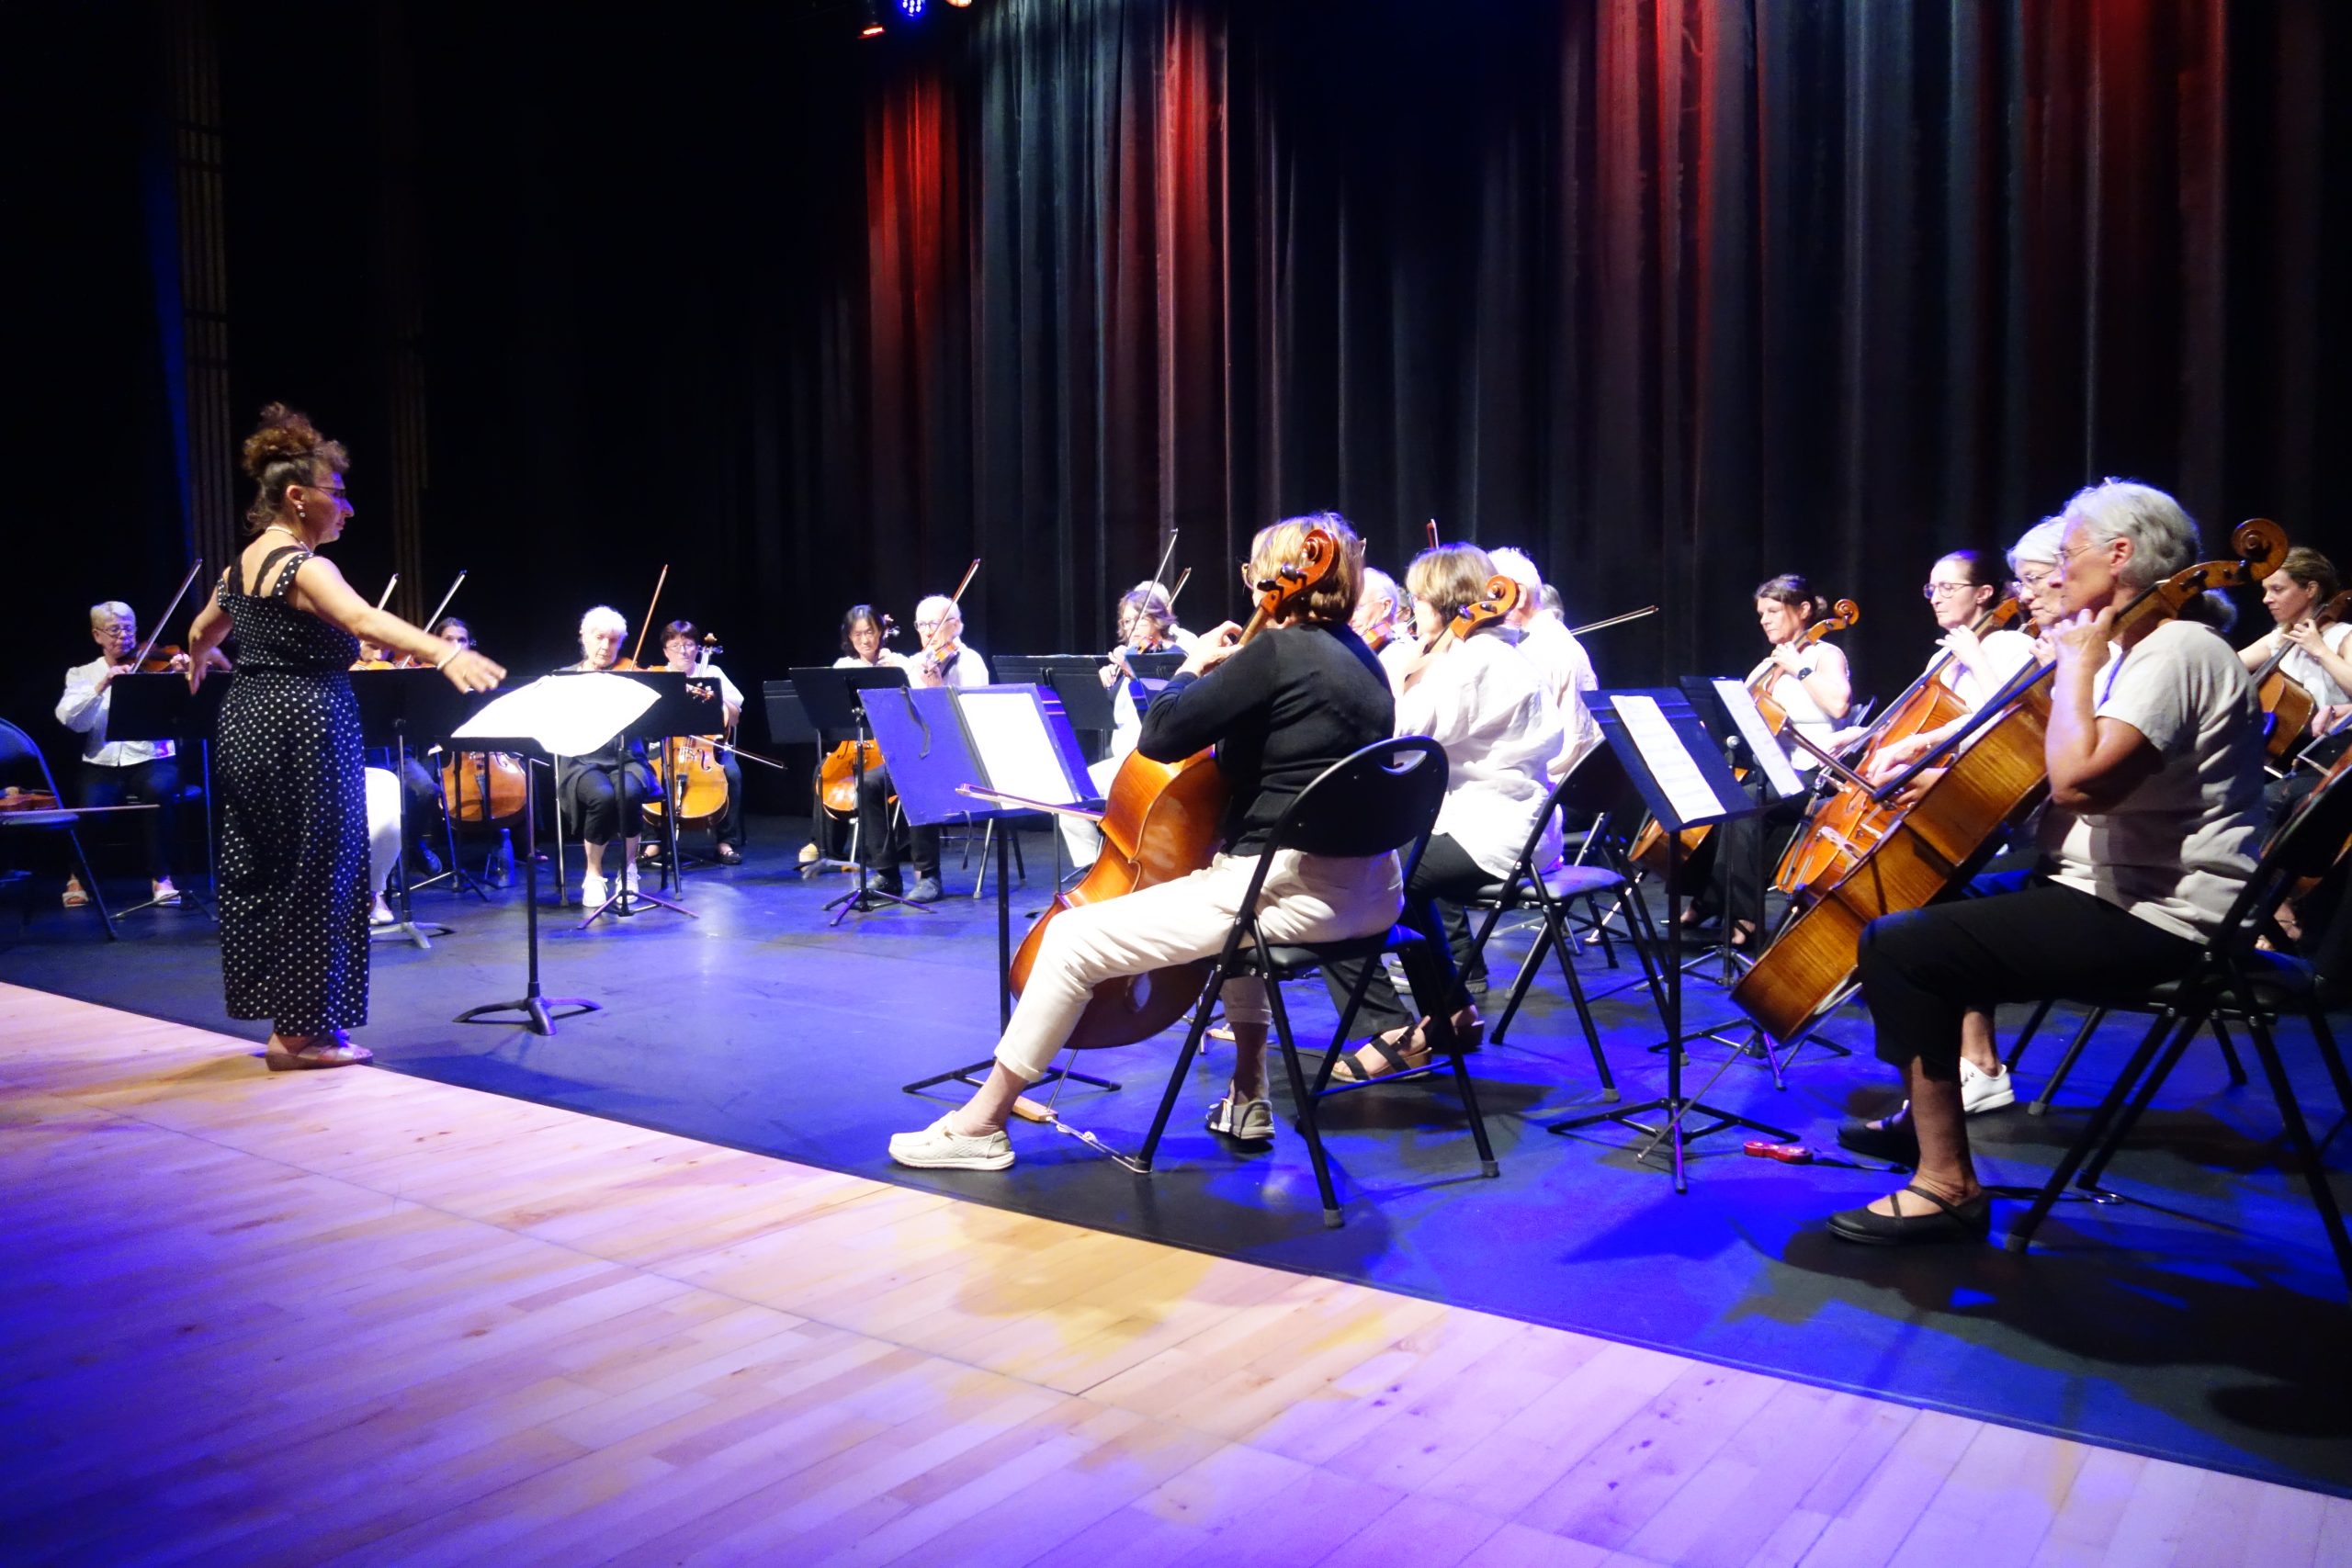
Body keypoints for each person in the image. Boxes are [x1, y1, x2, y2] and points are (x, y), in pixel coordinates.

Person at [888, 513, 1404, 1168]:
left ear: (1279, 578)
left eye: (1254, 571)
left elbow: (1159, 734)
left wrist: (1193, 668)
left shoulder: (1279, 652)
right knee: (1229, 904)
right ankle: (1249, 1095)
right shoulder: (1363, 660)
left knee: (1072, 938)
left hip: (1290, 893)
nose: (1251, 586)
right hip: (1373, 896)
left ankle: (981, 1123)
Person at [1828, 480, 2264, 1244]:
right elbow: (2088, 793)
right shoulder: (2137, 649)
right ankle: (1934, 1119)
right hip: (2104, 884)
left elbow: (2080, 781)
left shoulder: (2177, 649)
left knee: (1904, 947)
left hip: (2157, 916)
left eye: (2068, 555)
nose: (2056, 575)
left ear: (2121, 556)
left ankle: (1948, 1184)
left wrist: (2075, 667)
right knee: (1921, 902)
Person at [185, 403, 503, 1071]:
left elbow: (199, 634)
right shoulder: (304, 567)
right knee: (320, 871)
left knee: (265, 868)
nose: (348, 509)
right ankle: (304, 1034)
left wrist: (203, 661)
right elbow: (362, 618)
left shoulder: (240, 565)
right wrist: (442, 654)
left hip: (246, 721)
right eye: (339, 493)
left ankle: (284, 1020)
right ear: (297, 497)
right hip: (305, 722)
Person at [1319, 544, 1561, 1078]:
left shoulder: (1474, 662)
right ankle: (1452, 1011)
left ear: (1442, 603)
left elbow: (1401, 737)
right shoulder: (1500, 653)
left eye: (1418, 600)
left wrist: (1414, 667)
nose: (1412, 612)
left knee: (1342, 880)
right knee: (1398, 878)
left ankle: (1386, 1028)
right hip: (1517, 827)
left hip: (1489, 832)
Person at [1695, 573, 1852, 947]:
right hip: (1769, 769)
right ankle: (1708, 900)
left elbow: (1839, 704)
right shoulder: (1767, 665)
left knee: (1744, 803)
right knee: (1708, 795)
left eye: (1773, 610)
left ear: (1803, 610)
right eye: (1761, 613)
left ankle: (1746, 918)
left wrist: (1799, 666)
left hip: (1810, 773)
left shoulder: (1824, 654)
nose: (1764, 619)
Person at [55, 601, 191, 908]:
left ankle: (162, 878)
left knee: (158, 792)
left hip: (153, 756)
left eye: (129, 628)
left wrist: (182, 678)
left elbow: (185, 713)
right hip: (102, 761)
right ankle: (78, 876)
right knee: (93, 808)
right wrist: (102, 685)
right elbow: (72, 721)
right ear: (97, 635)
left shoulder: (157, 666)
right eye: (114, 630)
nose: (123, 637)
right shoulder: (82, 674)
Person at [861, 593, 988, 899]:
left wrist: (937, 690)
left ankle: (929, 876)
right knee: (867, 783)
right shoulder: (915, 664)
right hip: (919, 755)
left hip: (961, 759)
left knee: (915, 778)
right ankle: (887, 873)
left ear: (955, 626)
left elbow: (969, 725)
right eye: (921, 625)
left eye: (934, 624)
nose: (926, 632)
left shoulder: (971, 663)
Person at [559, 606, 659, 908]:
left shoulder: (632, 676)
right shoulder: (564, 679)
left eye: (613, 640)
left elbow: (659, 723)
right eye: (599, 637)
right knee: (602, 796)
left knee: (627, 793)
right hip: (581, 762)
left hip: (628, 759)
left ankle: (628, 869)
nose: (605, 646)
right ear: (583, 637)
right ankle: (593, 873)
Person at [1487, 547, 1602, 778]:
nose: (1484, 609)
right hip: (1574, 786)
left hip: (1546, 791)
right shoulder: (1556, 638)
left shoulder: (1534, 653)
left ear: (1516, 596)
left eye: (1488, 597)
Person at [643, 618, 747, 866]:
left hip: (707, 750)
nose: (684, 651)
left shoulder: (712, 673)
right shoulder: (658, 676)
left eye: (689, 645)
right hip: (665, 745)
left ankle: (726, 841)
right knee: (643, 773)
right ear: (665, 650)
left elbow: (734, 718)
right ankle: (652, 842)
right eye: (676, 646)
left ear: (698, 648)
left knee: (732, 774)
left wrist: (718, 701)